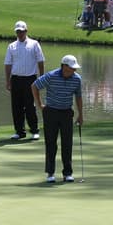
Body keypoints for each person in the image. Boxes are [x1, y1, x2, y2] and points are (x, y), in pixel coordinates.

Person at [31, 54, 84, 183]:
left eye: (75, 68)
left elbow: (78, 97)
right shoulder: (51, 76)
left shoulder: (77, 79)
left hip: (66, 113)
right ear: (64, 66)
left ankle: (67, 173)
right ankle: (50, 173)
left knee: (67, 144)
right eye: (72, 68)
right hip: (51, 112)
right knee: (51, 143)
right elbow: (35, 86)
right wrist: (39, 104)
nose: (74, 70)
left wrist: (80, 114)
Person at [4, 20, 45, 140]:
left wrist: (42, 78)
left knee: (30, 106)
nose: (19, 34)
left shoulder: (34, 44)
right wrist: (7, 81)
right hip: (16, 79)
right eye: (18, 32)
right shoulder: (12, 46)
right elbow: (7, 64)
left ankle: (34, 130)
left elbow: (40, 61)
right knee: (16, 106)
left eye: (21, 31)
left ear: (26, 31)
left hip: (30, 79)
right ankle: (19, 131)